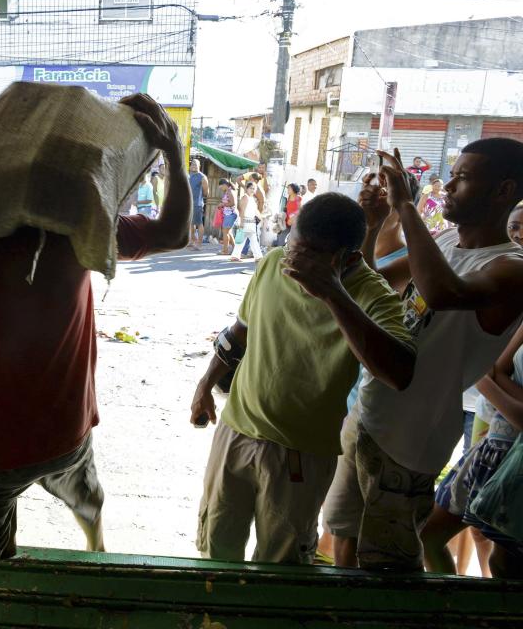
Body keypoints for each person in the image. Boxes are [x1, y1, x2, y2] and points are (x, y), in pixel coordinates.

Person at [0, 94, 191, 628]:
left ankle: (21, 552)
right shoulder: (80, 226)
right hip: (67, 431)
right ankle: (97, 555)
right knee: (87, 500)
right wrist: (171, 151)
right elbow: (175, 232)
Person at [323, 140, 523, 572]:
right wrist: (375, 224)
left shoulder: (512, 266)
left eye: (463, 177)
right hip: (369, 412)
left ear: (503, 190)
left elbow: (444, 293)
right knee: (343, 543)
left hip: (410, 440)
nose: (448, 184)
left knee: (387, 565)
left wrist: (406, 208)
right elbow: (375, 284)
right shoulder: (448, 238)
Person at [191, 194, 415, 565]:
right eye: (293, 245)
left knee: (281, 565)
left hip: (300, 457)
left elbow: (400, 372)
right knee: (214, 548)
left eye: (310, 255)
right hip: (235, 434)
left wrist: (331, 293)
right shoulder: (273, 263)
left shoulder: (372, 294)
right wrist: (204, 385)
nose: (294, 261)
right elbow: (239, 332)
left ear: (348, 258)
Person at [422, 324, 523, 578]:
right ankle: (454, 612)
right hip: (495, 443)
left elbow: (490, 374)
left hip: (514, 459)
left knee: (503, 563)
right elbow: (496, 368)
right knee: (428, 536)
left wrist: (486, 378)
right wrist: (490, 378)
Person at [229, 181, 263, 262]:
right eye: (251, 188)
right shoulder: (245, 197)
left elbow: (255, 211)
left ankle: (257, 257)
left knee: (252, 240)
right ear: (247, 189)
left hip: (251, 222)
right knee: (242, 240)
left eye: (254, 189)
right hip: (245, 221)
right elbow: (242, 211)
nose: (252, 190)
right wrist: (241, 223)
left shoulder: (252, 198)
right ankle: (258, 257)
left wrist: (261, 218)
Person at [188, 159, 209, 250]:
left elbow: (206, 192)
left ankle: (199, 244)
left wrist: (199, 199)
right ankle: (192, 241)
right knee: (190, 223)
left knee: (199, 223)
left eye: (196, 164)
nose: (194, 165)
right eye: (192, 164)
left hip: (197, 204)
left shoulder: (202, 177)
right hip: (188, 204)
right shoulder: (189, 175)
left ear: (199, 166)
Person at [218, 178, 236, 255]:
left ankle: (225, 251)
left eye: (221, 186)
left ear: (225, 185)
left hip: (230, 214)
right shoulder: (228, 191)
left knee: (225, 233)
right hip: (229, 214)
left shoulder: (229, 192)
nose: (220, 188)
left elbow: (233, 203)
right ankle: (235, 249)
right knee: (229, 232)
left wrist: (223, 204)